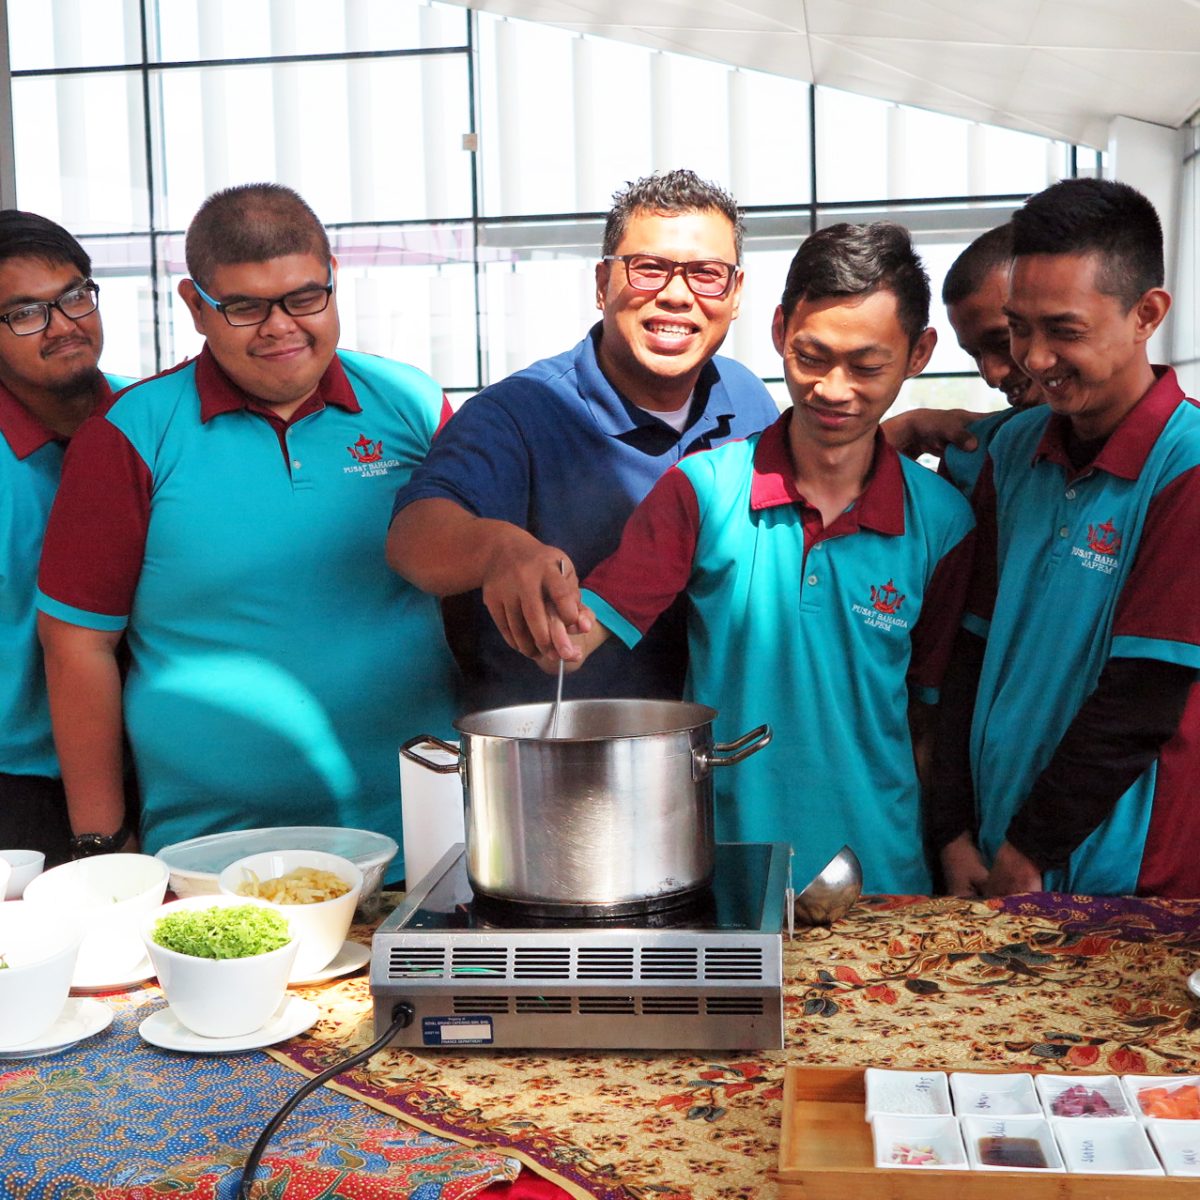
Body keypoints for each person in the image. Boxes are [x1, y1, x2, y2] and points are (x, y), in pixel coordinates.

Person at [388, 169, 979, 714]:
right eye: (648, 268)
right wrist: (498, 549)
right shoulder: (521, 412)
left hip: (705, 754)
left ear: (736, 294)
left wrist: (891, 435)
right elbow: (414, 534)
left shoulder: (745, 397)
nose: (676, 294)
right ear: (602, 283)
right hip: (561, 753)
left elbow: (812, 465)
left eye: (705, 273)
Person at [541, 222, 976, 895]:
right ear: (778, 331)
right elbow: (577, 635)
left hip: (885, 880)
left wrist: (951, 843)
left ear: (918, 353)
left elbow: (931, 719)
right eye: (811, 357)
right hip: (728, 872)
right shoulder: (701, 491)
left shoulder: (943, 523)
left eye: (867, 366)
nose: (833, 389)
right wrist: (532, 587)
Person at [36, 183, 458, 867]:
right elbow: (77, 645)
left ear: (333, 280)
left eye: (304, 298)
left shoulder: (413, 404)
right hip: (210, 857)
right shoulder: (129, 435)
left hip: (422, 840)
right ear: (195, 306)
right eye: (245, 307)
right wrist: (102, 843)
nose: (281, 327)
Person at [930, 177, 1200, 898]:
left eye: (1065, 331)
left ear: (1147, 314)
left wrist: (1029, 852)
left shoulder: (1187, 466)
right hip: (996, 855)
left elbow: (1143, 696)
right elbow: (969, 651)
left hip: (1120, 879)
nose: (1034, 358)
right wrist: (952, 829)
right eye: (1019, 327)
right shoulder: (1011, 453)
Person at [0, 210, 133, 866]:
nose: (62, 326)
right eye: (26, 313)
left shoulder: (150, 419)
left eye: (75, 296)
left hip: (152, 764)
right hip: (18, 782)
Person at [940, 222, 1043, 496]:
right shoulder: (969, 454)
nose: (992, 376)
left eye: (1003, 343)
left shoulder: (1155, 449)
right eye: (974, 354)